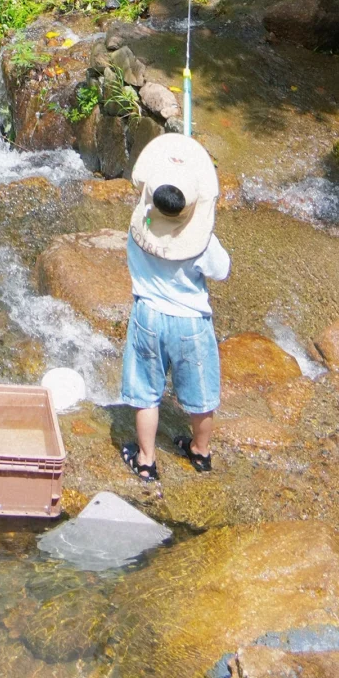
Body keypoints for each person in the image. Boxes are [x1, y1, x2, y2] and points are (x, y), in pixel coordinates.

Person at [120, 132, 230, 482]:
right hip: (191, 322)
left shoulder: (143, 224)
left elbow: (149, 222)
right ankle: (200, 451)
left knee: (147, 394)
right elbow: (222, 270)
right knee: (200, 393)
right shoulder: (200, 242)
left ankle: (146, 460)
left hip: (148, 314)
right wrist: (206, 229)